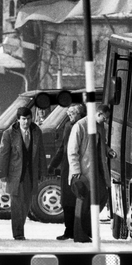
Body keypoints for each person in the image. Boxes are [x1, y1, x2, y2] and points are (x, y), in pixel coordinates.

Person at [68, 104, 115, 243]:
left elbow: (101, 144)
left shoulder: (99, 127)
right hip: (83, 173)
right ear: (98, 114)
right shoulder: (80, 126)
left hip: (97, 170)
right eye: (105, 118)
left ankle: (87, 229)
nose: (106, 121)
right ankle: (80, 234)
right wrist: (76, 171)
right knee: (83, 203)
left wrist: (108, 151)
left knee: (102, 197)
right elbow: (72, 151)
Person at [0, 107, 47, 240]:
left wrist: (43, 171)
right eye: (24, 119)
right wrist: (2, 176)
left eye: (29, 119)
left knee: (26, 204)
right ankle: (18, 233)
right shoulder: (9, 133)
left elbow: (41, 152)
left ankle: (21, 228)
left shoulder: (36, 131)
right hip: (15, 174)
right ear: (18, 119)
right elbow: (3, 155)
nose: (26, 122)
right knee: (17, 205)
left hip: (30, 173)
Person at [48, 103, 85, 240]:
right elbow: (63, 147)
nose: (69, 115)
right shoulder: (69, 126)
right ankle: (70, 230)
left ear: (80, 113)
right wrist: (53, 164)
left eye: (72, 113)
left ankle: (76, 230)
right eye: (68, 113)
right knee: (67, 201)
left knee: (76, 201)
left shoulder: (80, 126)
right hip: (67, 167)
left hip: (77, 168)